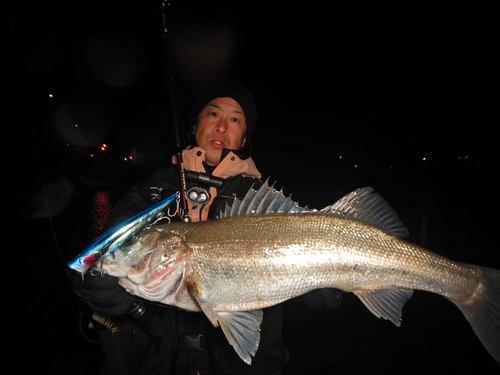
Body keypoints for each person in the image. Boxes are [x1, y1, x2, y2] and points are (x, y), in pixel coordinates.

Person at [70, 78, 341, 375]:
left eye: (235, 119)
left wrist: (318, 283)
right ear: (195, 125)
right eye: (213, 114)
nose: (222, 127)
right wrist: (126, 302)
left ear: (244, 136)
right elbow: (89, 266)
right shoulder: (153, 192)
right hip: (158, 362)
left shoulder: (261, 199)